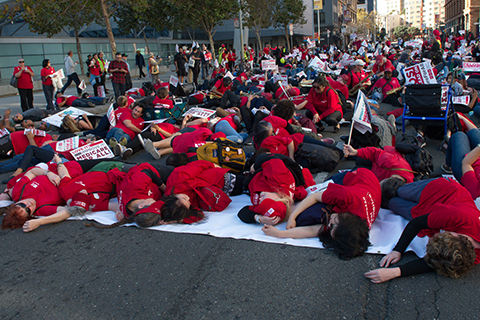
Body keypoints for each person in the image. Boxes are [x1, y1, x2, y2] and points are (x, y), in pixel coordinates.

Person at [365, 178, 480, 283]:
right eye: (445, 233)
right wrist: (398, 250)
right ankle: (400, 178)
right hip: (439, 191)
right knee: (397, 190)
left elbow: (438, 261)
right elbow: (417, 223)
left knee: (390, 203)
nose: (442, 232)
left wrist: (396, 272)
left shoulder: (471, 257)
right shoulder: (460, 217)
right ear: (457, 235)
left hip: (428, 211)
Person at [262, 168, 381, 260]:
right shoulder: (347, 196)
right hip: (357, 176)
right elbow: (315, 197)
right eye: (334, 223)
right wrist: (292, 217)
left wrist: (278, 234)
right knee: (303, 210)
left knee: (303, 220)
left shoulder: (351, 229)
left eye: (331, 227)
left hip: (368, 188)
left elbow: (312, 231)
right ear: (346, 216)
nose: (330, 223)